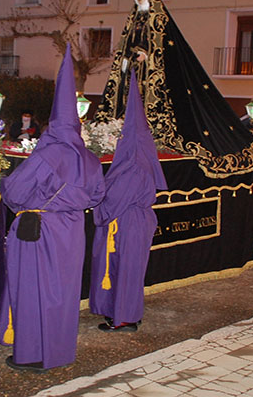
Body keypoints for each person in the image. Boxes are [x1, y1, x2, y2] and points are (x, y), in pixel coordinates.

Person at [94, 0, 253, 179]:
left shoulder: (158, 18)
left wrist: (145, 55)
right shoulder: (132, 21)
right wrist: (126, 59)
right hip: (133, 73)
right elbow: (125, 45)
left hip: (151, 72)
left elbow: (162, 46)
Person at [0, 45, 106, 372]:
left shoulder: (45, 155)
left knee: (32, 289)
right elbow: (97, 196)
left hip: (39, 232)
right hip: (71, 233)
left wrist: (17, 198)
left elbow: (14, 191)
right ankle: (59, 352)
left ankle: (30, 354)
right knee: (63, 293)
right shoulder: (90, 159)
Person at [90, 71, 167, 332]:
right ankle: (125, 312)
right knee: (129, 270)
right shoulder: (139, 159)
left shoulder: (133, 164)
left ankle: (124, 318)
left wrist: (95, 204)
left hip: (129, 223)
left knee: (126, 271)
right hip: (133, 221)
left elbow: (115, 200)